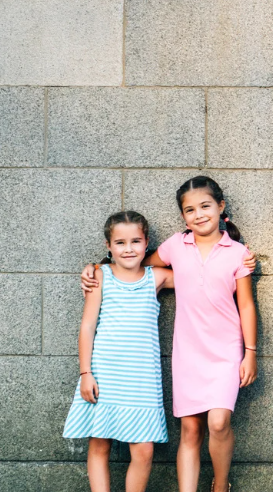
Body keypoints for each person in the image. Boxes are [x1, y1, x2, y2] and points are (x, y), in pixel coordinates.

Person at [85, 179, 259, 492]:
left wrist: (251, 352)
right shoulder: (176, 246)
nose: (199, 214)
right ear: (182, 216)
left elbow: (246, 305)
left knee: (218, 422)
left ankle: (221, 485)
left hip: (226, 350)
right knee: (190, 429)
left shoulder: (237, 253)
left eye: (205, 206)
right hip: (188, 352)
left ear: (221, 207)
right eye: (189, 209)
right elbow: (135, 267)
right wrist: (97, 268)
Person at [64, 211, 171, 492]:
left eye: (136, 241)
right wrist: (85, 373)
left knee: (144, 451)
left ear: (147, 243)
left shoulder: (156, 278)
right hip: (104, 374)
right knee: (99, 444)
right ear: (108, 246)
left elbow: (199, 271)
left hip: (142, 380)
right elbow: (87, 327)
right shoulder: (101, 277)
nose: (128, 248)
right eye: (120, 242)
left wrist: (235, 256)